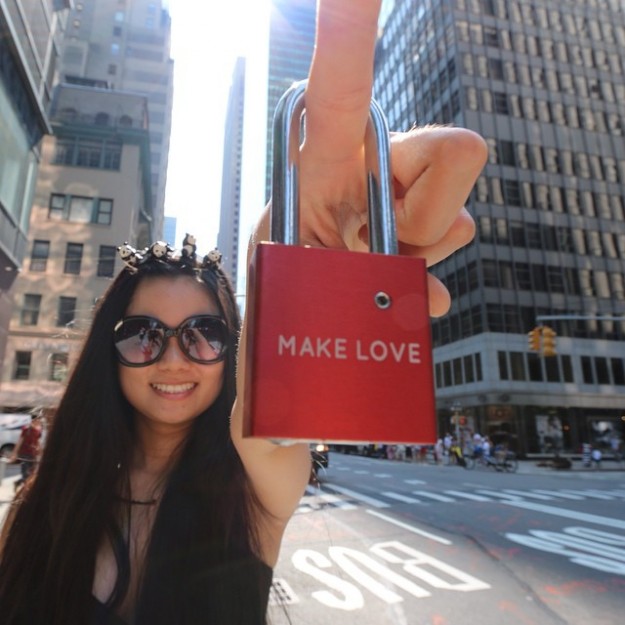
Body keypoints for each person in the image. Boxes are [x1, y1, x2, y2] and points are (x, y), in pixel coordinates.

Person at [0, 1, 487, 623]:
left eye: (204, 333)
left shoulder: (256, 482)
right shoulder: (42, 503)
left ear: (233, 346)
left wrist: (293, 255)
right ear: (108, 349)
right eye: (143, 334)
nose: (174, 358)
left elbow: (268, 412)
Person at [8, 412, 43, 493]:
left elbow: (38, 442)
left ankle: (18, 483)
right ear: (33, 420)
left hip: (33, 454)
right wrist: (14, 454)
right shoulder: (26, 429)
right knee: (26, 474)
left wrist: (41, 452)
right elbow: (19, 442)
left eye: (40, 421)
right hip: (24, 454)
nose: (39, 422)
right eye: (38, 420)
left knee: (32, 474)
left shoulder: (38, 431)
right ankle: (25, 492)